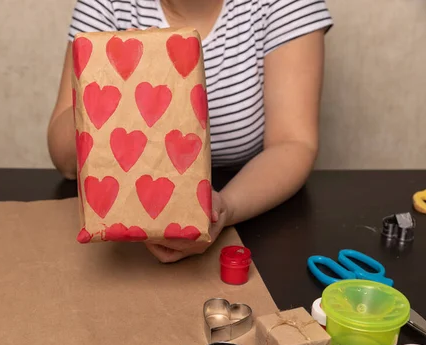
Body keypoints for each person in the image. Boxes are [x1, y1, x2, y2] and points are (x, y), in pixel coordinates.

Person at [47, 0, 333, 263]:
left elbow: (293, 142)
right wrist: (109, 79)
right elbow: (65, 160)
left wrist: (224, 208)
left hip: (253, 204)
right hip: (122, 226)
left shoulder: (284, 5)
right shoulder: (107, 4)